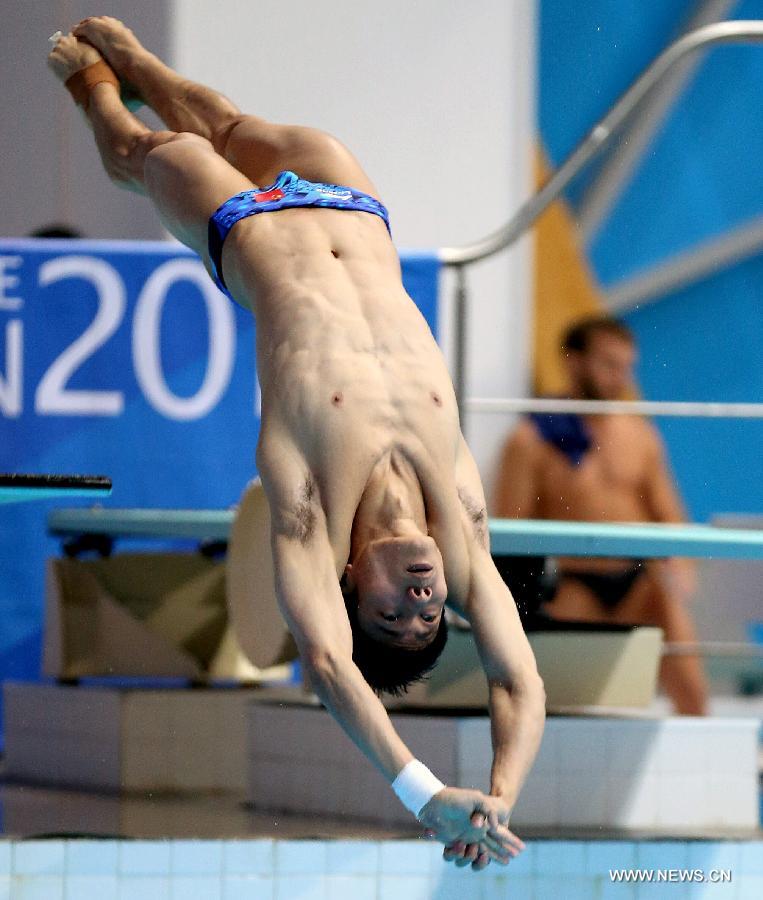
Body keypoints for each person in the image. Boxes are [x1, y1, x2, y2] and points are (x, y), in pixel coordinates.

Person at [48, 18, 546, 870]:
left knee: (142, 150)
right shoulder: (461, 524)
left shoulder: (310, 511)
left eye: (392, 610)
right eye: (430, 614)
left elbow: (325, 661)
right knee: (231, 124)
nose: (422, 596)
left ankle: (91, 84)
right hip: (352, 204)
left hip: (246, 230)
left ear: (350, 580)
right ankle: (140, 61)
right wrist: (499, 794)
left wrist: (425, 798)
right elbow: (517, 681)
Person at [494, 315, 708, 715]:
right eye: (609, 364)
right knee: (558, 707)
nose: (620, 378)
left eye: (626, 366)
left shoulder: (639, 434)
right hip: (574, 585)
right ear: (574, 361)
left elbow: (668, 513)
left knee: (693, 691)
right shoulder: (531, 440)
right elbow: (510, 532)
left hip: (638, 583)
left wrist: (680, 567)